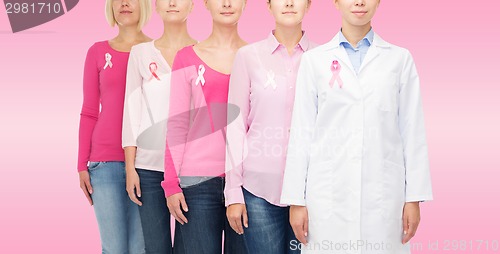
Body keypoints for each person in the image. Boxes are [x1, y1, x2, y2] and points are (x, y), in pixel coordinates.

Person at [280, 0, 433, 253]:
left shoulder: (399, 59)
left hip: (383, 196)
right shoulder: (314, 61)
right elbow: (301, 133)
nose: (359, 2)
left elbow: (413, 131)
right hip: (328, 195)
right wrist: (296, 200)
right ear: (337, 2)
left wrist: (413, 198)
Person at [224, 0, 316, 253]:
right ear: (269, 5)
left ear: (308, 5)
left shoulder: (322, 59)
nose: (288, 3)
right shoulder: (248, 57)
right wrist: (233, 192)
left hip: (311, 191)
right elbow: (235, 126)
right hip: (258, 190)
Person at [161, 0, 248, 253]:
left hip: (245, 182)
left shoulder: (255, 57)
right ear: (206, 4)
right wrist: (171, 183)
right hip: (197, 182)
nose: (227, 3)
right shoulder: (186, 57)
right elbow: (177, 123)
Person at [122, 0, 197, 253]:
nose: (173, 3)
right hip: (148, 169)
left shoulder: (202, 52)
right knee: (156, 248)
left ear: (193, 6)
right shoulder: (141, 53)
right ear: (156, 6)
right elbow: (131, 113)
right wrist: (131, 168)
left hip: (191, 171)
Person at [77, 0, 151, 253]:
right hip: (103, 164)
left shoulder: (156, 50)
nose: (124, 3)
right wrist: (81, 165)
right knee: (114, 248)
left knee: (141, 248)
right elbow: (89, 112)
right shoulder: (97, 52)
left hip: (146, 163)